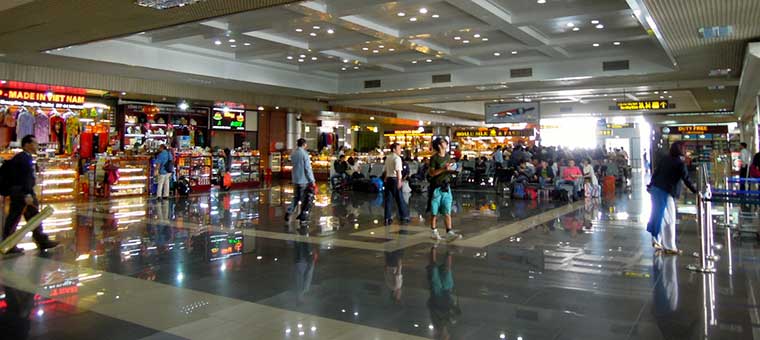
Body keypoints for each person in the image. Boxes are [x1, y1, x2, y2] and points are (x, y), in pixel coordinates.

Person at [2, 135, 59, 254]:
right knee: (16, 217)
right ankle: (8, 243)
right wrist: (27, 194)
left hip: (20, 192)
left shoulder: (23, 157)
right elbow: (23, 178)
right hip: (22, 193)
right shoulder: (23, 159)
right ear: (27, 144)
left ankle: (40, 240)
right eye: (34, 143)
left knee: (31, 217)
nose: (37, 145)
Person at [646, 141, 698, 255]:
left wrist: (650, 185)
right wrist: (696, 191)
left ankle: (657, 240)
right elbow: (686, 179)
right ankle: (669, 246)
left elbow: (656, 173)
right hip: (666, 192)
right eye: (684, 149)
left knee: (658, 215)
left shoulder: (665, 159)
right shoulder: (680, 163)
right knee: (669, 219)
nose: (686, 151)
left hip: (656, 190)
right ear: (680, 150)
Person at [429, 137, 461, 241]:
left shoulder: (447, 156)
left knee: (447, 210)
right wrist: (444, 169)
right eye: (444, 142)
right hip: (436, 188)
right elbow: (432, 173)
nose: (446, 143)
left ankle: (449, 231)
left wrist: (454, 170)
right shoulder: (434, 158)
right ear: (439, 145)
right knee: (434, 212)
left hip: (446, 187)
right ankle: (434, 231)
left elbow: (448, 170)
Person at [285, 138, 316, 226]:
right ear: (304, 144)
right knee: (304, 199)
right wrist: (312, 180)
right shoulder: (304, 154)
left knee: (296, 197)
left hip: (295, 179)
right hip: (304, 180)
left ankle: (289, 212)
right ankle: (303, 217)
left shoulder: (294, 153)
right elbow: (308, 168)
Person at [383, 143, 410, 225]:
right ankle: (404, 216)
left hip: (388, 180)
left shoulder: (388, 157)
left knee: (388, 199)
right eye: (398, 148)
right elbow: (398, 171)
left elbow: (386, 170)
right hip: (395, 180)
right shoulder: (397, 158)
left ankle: (387, 217)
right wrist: (399, 181)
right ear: (394, 149)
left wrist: (386, 178)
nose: (400, 150)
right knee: (400, 199)